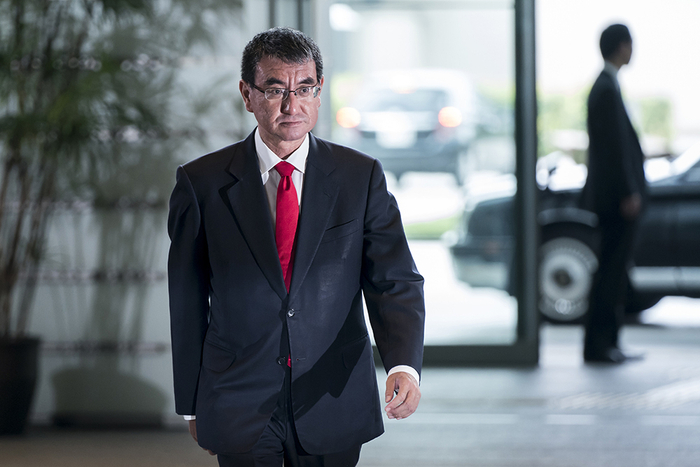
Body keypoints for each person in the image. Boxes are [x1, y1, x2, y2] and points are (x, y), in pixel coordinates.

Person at [167, 27, 425, 466]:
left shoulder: (360, 177)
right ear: (247, 94)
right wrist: (192, 403)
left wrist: (403, 365)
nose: (292, 105)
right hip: (238, 395)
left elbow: (394, 279)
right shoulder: (201, 183)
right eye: (275, 90)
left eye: (304, 89)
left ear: (319, 92)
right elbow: (187, 300)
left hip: (331, 393)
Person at [580, 23, 647, 364]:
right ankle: (601, 345)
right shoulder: (606, 88)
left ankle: (607, 342)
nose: (633, 51)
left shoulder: (607, 85)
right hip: (616, 201)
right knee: (611, 272)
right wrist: (629, 191)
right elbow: (614, 150)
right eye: (630, 44)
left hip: (613, 199)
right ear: (621, 46)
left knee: (613, 271)